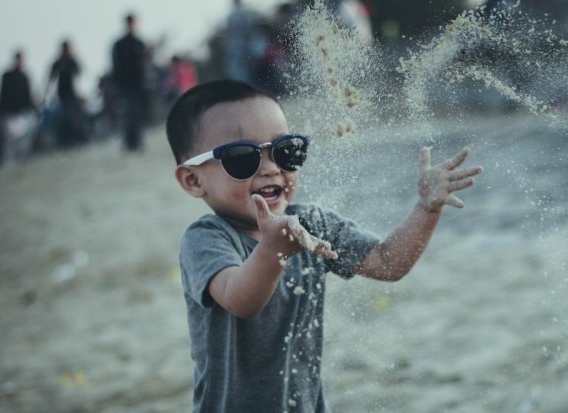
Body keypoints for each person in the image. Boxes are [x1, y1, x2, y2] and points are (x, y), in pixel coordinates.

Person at [165, 79, 483, 413]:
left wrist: (426, 209)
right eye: (242, 157)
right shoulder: (206, 239)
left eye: (285, 150)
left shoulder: (311, 224)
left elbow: (388, 263)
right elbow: (240, 299)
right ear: (193, 179)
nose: (272, 167)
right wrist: (274, 250)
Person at [112, 13, 148, 151]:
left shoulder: (139, 43)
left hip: (139, 85)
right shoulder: (119, 45)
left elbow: (145, 64)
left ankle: (137, 141)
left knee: (138, 113)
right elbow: (116, 66)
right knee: (129, 113)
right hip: (125, 85)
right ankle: (129, 142)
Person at [0, 50, 38, 164]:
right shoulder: (7, 76)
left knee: (22, 144)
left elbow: (28, 97)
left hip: (22, 115)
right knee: (8, 145)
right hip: (9, 116)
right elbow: (1, 96)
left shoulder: (25, 76)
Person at [47, 39, 84, 148]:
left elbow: (80, 77)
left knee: (75, 118)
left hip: (75, 95)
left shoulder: (74, 61)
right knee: (67, 118)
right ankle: (67, 141)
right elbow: (51, 80)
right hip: (63, 95)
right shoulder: (58, 63)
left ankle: (75, 139)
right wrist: (47, 96)